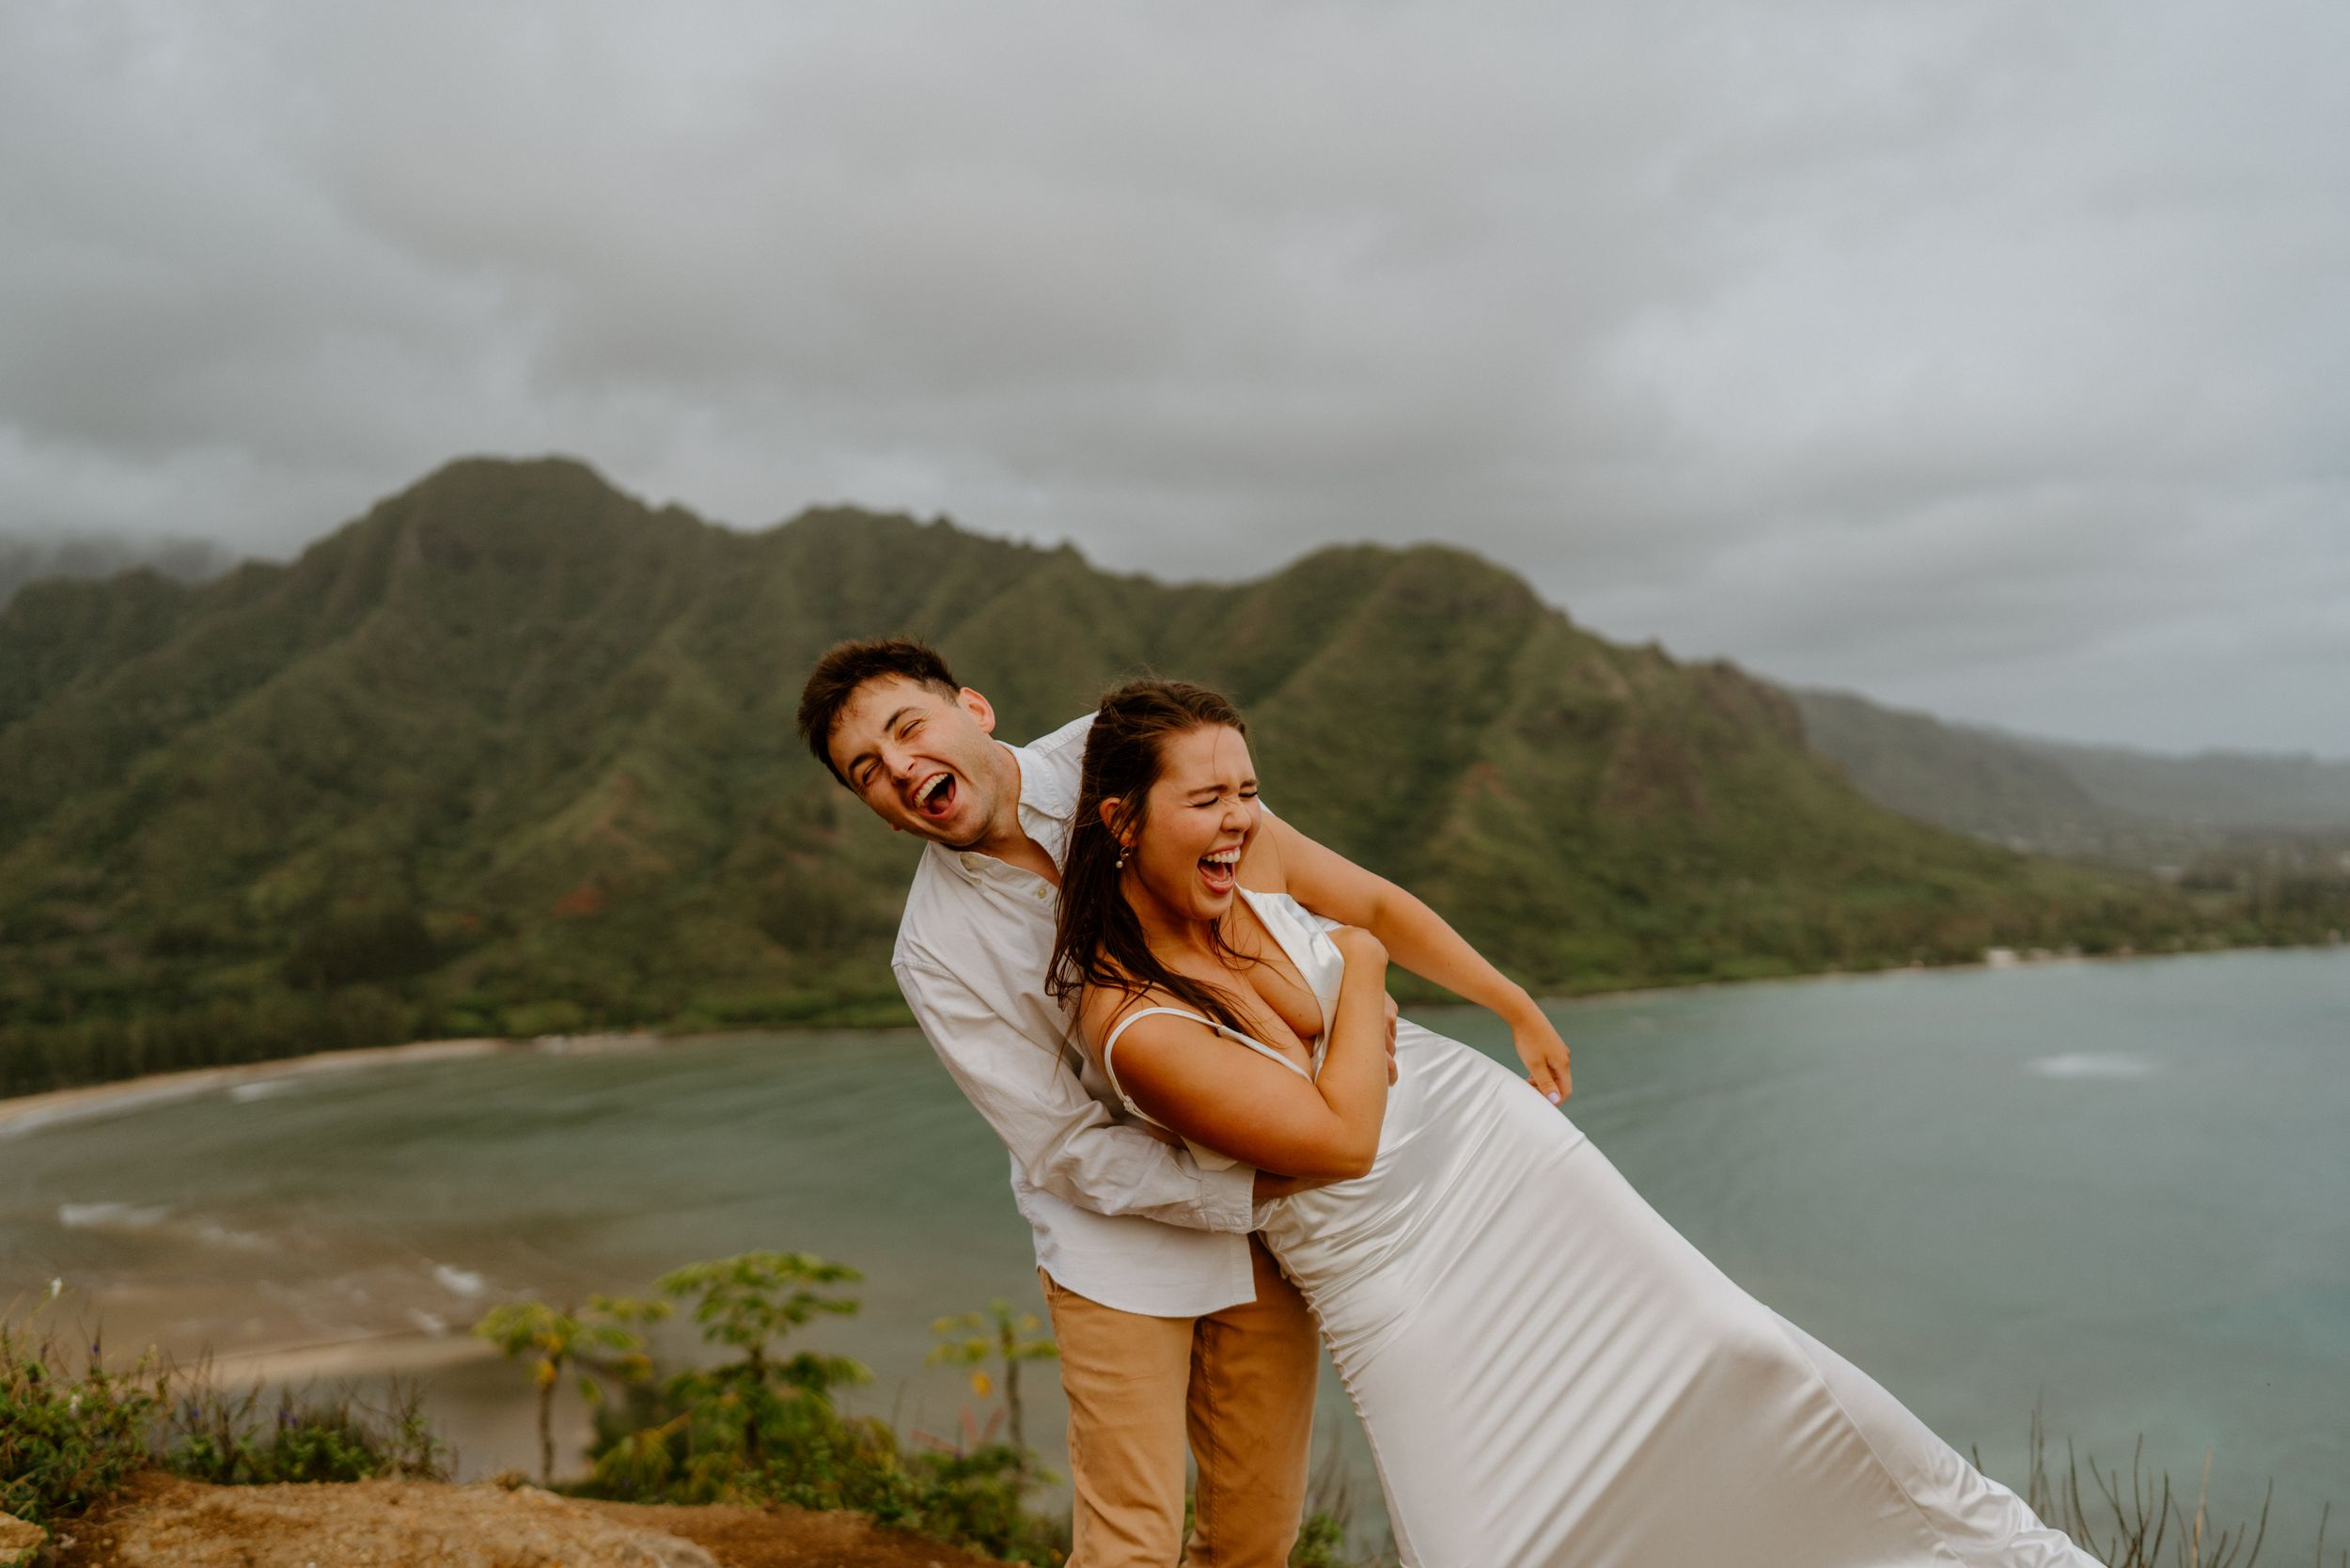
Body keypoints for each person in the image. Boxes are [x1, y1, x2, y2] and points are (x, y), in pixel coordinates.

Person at [1049, 677, 2108, 1568]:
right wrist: (1363, 980)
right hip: (1384, 1267)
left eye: (1249, 790)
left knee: (1735, 1355)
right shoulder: (1134, 1020)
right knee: (1477, 1542)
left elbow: (1376, 906)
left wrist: (1512, 1002)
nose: (1239, 817)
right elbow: (1337, 1142)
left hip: (1507, 1165)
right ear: (1121, 819)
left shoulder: (1250, 858)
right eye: (1207, 799)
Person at [792, 639, 1574, 1568]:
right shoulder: (932, 951)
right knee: (1130, 1542)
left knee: (1253, 1535)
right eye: (867, 772)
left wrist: (1501, 1001)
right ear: (875, 811)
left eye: (907, 728)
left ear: (974, 708)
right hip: (1122, 1237)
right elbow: (1061, 1146)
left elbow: (1305, 883)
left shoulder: (1115, 755)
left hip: (1265, 1208)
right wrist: (1252, 1186)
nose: (899, 769)